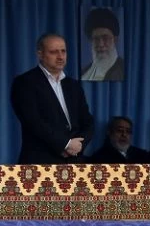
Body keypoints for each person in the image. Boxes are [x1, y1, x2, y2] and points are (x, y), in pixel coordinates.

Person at [10, 33, 94, 164]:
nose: (60, 57)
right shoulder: (25, 82)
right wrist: (65, 144)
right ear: (40, 54)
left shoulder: (73, 85)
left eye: (63, 51)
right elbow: (33, 122)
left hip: (74, 161)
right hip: (40, 162)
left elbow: (87, 121)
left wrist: (78, 145)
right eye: (54, 52)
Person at [81, 8, 125, 81]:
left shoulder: (123, 70)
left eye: (105, 38)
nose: (101, 44)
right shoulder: (84, 72)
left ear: (115, 40)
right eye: (96, 39)